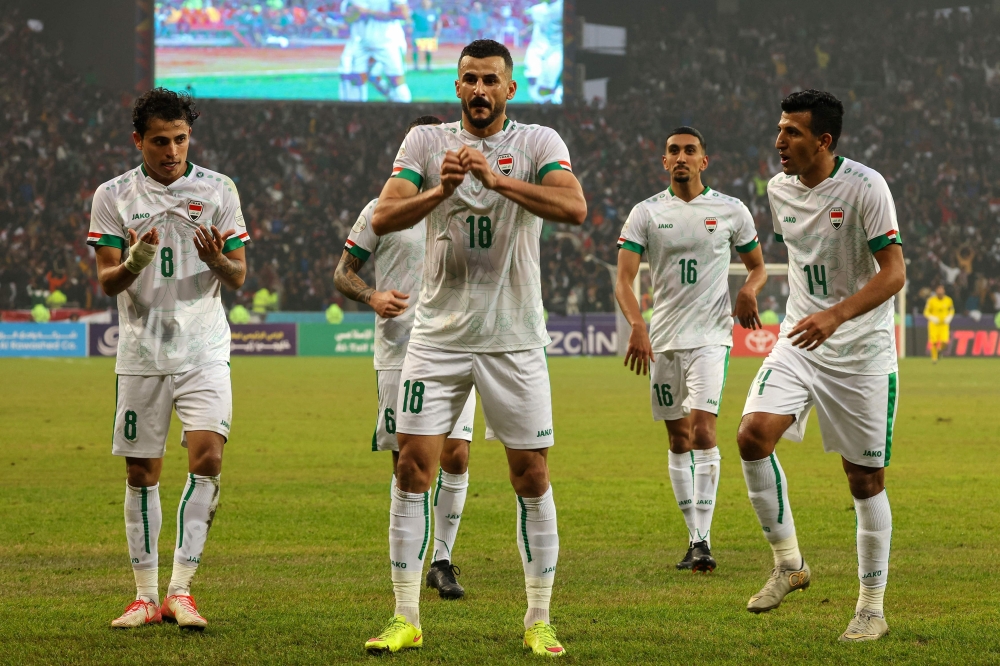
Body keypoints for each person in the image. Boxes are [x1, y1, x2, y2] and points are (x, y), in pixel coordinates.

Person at [363, 39, 586, 656]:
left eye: (491, 80)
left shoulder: (538, 142)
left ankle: (538, 618)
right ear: (457, 86)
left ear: (510, 88)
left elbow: (574, 207)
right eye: (470, 79)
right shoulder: (425, 143)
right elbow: (382, 218)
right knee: (412, 467)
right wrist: (441, 191)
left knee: (531, 473)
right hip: (437, 336)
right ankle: (405, 616)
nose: (480, 90)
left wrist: (496, 180)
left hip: (513, 336)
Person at [738, 90, 904, 642]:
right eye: (780, 129)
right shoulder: (778, 189)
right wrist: (759, 289)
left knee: (864, 479)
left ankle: (871, 609)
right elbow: (805, 259)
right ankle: (789, 563)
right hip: (800, 339)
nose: (779, 141)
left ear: (824, 141)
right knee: (752, 436)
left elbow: (894, 272)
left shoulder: (866, 187)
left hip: (860, 353)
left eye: (792, 132)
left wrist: (836, 314)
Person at [91, 88, 250, 630]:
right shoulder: (113, 195)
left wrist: (217, 259)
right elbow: (107, 280)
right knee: (142, 472)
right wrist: (134, 260)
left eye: (180, 139)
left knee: (208, 458)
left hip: (204, 349)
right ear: (138, 140)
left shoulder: (219, 189)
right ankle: (143, 596)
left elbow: (239, 275)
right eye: (160, 141)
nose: (172, 151)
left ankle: (180, 591)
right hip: (142, 352)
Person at [334, 115, 474, 600]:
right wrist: (371, 295)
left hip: (456, 345)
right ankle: (408, 561)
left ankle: (442, 560)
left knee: (457, 454)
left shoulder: (470, 204)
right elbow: (343, 271)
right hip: (399, 351)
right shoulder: (381, 209)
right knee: (408, 463)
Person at [615, 126, 767, 573]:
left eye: (689, 150)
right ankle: (694, 537)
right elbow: (624, 280)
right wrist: (637, 324)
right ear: (664, 161)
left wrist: (748, 290)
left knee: (702, 431)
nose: (681, 156)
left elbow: (758, 267)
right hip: (664, 341)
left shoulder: (731, 210)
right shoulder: (645, 213)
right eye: (673, 151)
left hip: (711, 338)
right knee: (678, 438)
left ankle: (702, 542)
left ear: (704, 160)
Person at [339, 0, 412, 102]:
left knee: (396, 81)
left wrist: (368, 12)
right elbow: (349, 19)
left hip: (388, 41)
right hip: (361, 41)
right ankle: (356, 112)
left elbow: (403, 14)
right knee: (356, 79)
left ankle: (403, 108)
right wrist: (352, 15)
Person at [523, 0, 563, 104]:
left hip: (556, 51)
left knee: (545, 88)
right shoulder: (538, 9)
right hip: (537, 49)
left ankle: (553, 96)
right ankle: (541, 102)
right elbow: (527, 16)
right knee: (532, 78)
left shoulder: (563, 7)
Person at [923, 284, 954, 363]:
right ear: (936, 291)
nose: (940, 292)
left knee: (945, 341)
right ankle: (934, 359)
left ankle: (939, 350)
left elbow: (951, 310)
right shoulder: (931, 300)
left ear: (944, 291)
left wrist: (949, 317)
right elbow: (926, 312)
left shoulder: (948, 300)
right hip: (934, 324)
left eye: (941, 290)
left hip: (944, 324)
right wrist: (932, 318)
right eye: (938, 290)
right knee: (933, 342)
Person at [410, 0, 442, 72]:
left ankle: (428, 66)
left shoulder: (434, 12)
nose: (426, 3)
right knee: (416, 50)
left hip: (429, 34)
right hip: (418, 33)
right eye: (424, 2)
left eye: (427, 2)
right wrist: (410, 27)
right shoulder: (417, 11)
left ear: (430, 3)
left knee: (428, 51)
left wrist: (437, 32)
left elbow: (438, 22)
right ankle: (415, 66)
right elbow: (410, 20)